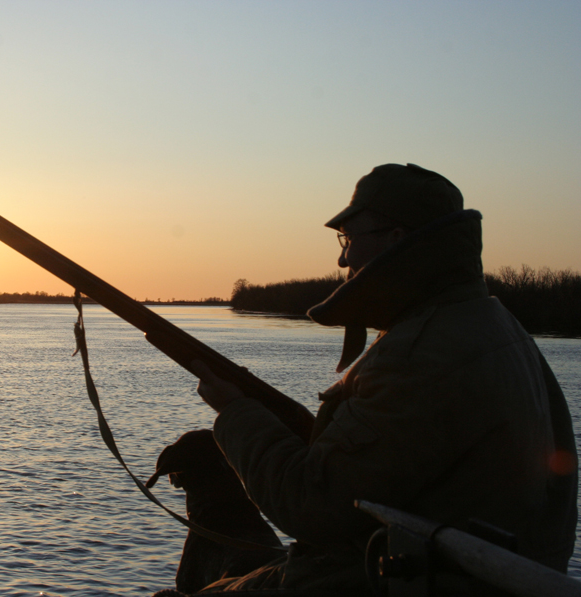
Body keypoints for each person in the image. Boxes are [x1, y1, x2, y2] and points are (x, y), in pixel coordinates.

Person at [193, 163, 578, 594]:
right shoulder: (493, 322)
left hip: (395, 580)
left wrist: (235, 411)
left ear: (396, 239)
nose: (342, 258)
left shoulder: (421, 355)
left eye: (350, 239)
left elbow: (312, 508)